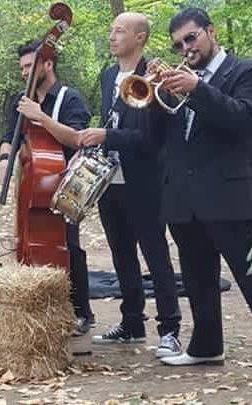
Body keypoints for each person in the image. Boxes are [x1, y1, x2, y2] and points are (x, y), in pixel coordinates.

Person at [151, 8, 252, 366]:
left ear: (210, 31)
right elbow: (159, 138)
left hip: (231, 198)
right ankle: (206, 347)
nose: (185, 49)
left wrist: (199, 89)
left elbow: (241, 119)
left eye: (191, 38)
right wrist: (154, 94)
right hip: (184, 198)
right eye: (178, 44)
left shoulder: (243, 70)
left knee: (248, 276)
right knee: (197, 279)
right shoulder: (181, 78)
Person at [79, 12, 182, 358]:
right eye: (110, 30)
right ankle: (132, 323)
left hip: (144, 181)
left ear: (140, 38)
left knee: (156, 255)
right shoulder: (109, 75)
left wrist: (108, 134)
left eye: (119, 31)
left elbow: (152, 139)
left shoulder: (154, 76)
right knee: (122, 254)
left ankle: (170, 329)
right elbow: (116, 120)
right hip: (112, 181)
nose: (111, 37)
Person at [0, 39, 95, 336]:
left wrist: (40, 116)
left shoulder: (70, 98)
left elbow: (77, 138)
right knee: (29, 241)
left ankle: (81, 312)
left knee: (69, 246)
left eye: (30, 66)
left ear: (47, 64)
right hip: (32, 183)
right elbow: (8, 136)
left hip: (67, 181)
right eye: (22, 68)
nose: (25, 72)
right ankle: (39, 309)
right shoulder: (20, 98)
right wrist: (4, 159)